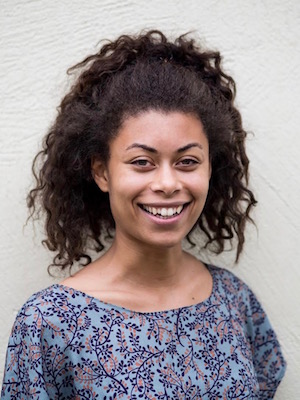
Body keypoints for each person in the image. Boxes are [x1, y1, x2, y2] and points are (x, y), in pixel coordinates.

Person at [1, 30, 286, 399]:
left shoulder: (233, 300)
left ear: (210, 169)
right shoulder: (50, 323)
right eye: (142, 162)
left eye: (187, 161)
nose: (168, 183)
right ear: (102, 172)